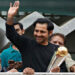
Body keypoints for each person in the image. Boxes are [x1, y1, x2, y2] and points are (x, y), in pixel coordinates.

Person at [6, 1, 67, 72]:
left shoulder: (57, 50)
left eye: (42, 32)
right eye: (36, 31)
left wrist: (57, 72)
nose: (38, 34)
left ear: (50, 33)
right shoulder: (26, 43)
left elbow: (64, 70)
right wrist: (10, 17)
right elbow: (11, 34)